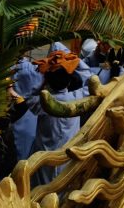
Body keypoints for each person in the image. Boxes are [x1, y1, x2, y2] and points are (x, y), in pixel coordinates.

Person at [29, 50, 88, 186]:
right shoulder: (77, 98)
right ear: (69, 82)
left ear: (47, 81)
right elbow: (89, 77)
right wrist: (70, 59)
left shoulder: (41, 103)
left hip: (44, 158)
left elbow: (29, 96)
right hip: (68, 156)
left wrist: (43, 79)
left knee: (41, 192)